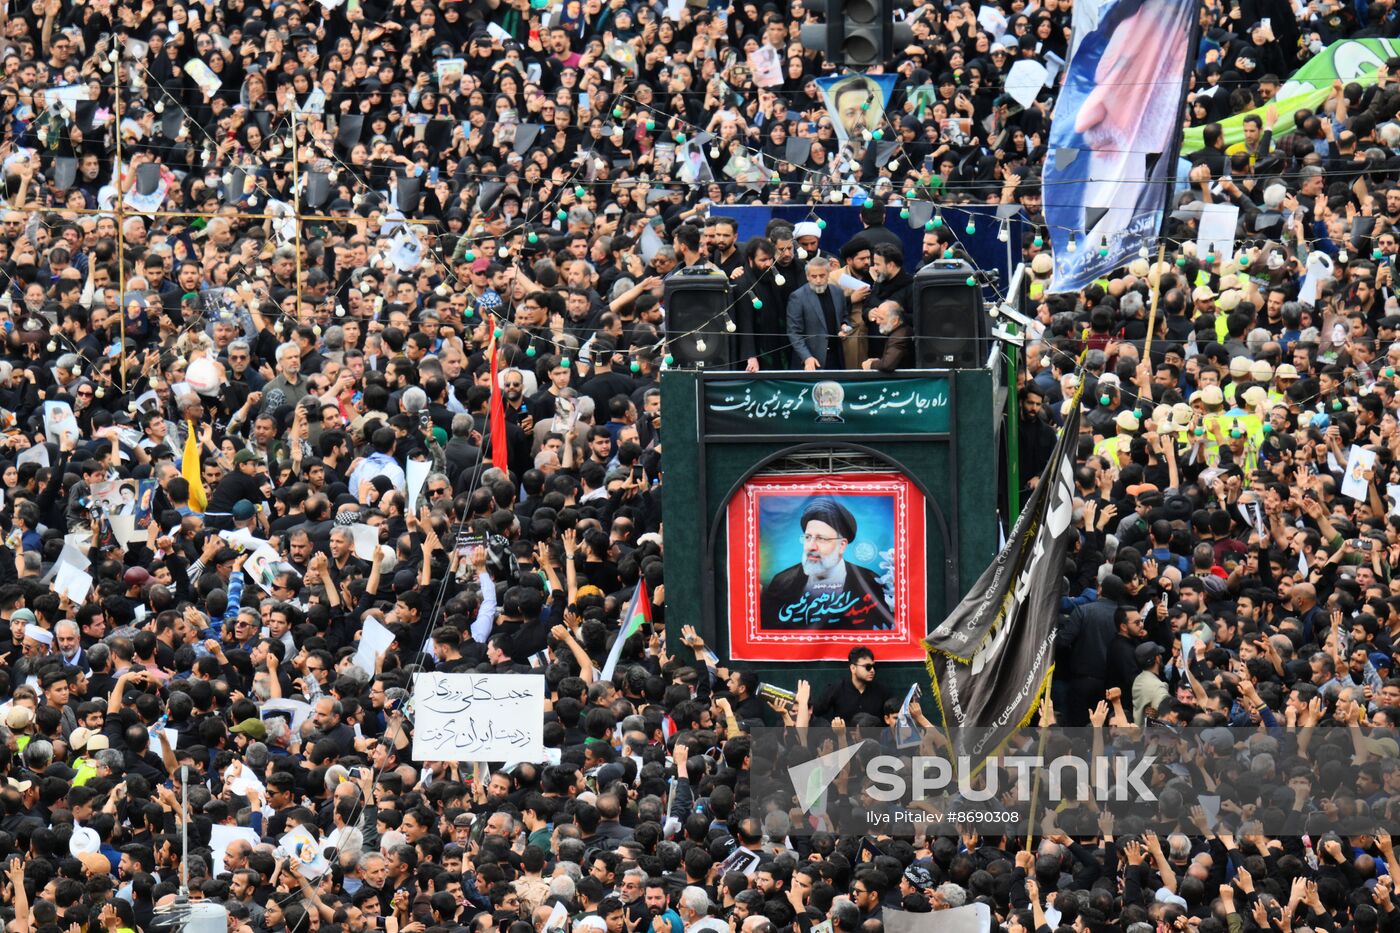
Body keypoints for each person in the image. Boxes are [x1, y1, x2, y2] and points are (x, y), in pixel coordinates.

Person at [758, 497, 894, 630]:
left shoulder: (871, 582)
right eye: (807, 537)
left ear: (842, 545)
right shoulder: (782, 582)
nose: (811, 546)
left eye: (821, 539)